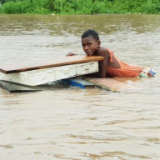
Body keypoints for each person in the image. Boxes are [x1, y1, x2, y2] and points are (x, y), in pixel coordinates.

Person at [67, 29, 156, 78]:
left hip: (134, 72)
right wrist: (75, 56)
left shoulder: (102, 51)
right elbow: (88, 57)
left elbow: (101, 75)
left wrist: (79, 73)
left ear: (98, 43)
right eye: (83, 45)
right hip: (128, 67)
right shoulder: (94, 52)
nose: (86, 48)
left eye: (89, 44)